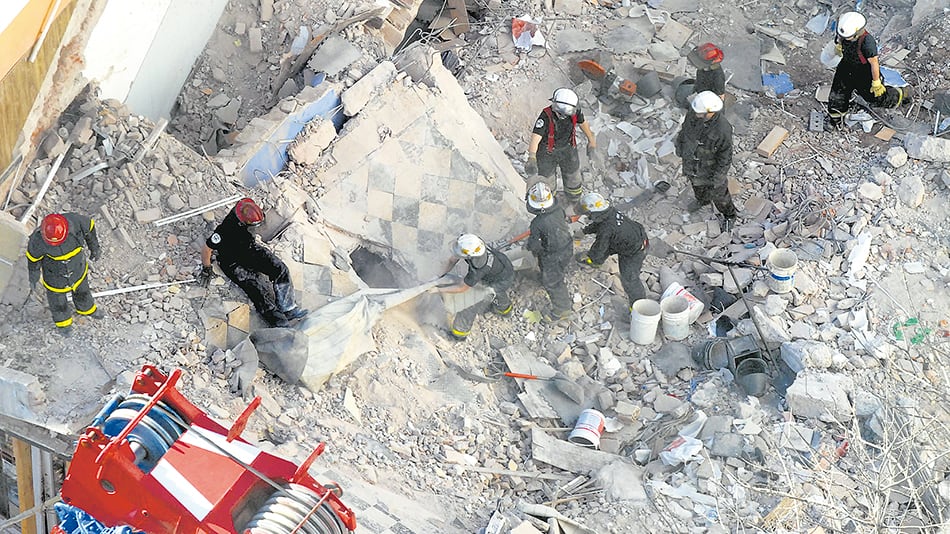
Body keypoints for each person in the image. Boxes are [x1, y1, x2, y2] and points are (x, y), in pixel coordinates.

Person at [199, 197, 307, 328]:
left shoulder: (245, 207)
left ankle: (288, 308)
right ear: (242, 223)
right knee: (256, 288)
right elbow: (207, 248)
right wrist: (206, 268)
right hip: (232, 262)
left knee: (280, 268)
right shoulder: (224, 231)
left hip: (249, 249)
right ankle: (278, 321)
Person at [827, 11, 912, 130]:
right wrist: (840, 46)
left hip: (864, 72)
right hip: (846, 67)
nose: (846, 39)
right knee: (838, 93)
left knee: (875, 98)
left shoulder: (867, 41)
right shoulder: (844, 29)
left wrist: (876, 82)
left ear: (857, 32)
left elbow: (874, 63)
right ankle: (836, 120)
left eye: (848, 37)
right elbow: (841, 38)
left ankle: (901, 94)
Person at [26, 212, 102, 335]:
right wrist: (33, 275)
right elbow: (33, 259)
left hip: (77, 269)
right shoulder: (37, 239)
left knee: (83, 292)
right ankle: (63, 324)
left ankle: (87, 309)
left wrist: (95, 248)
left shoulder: (77, 222)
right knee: (57, 302)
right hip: (55, 277)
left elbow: (90, 228)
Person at [674, 91, 738, 230]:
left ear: (711, 112)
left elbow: (725, 155)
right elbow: (684, 132)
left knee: (720, 196)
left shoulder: (722, 129)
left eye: (700, 113)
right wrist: (679, 146)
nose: (697, 115)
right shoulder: (694, 114)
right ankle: (702, 201)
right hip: (692, 164)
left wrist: (719, 177)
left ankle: (729, 215)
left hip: (710, 169)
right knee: (697, 186)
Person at [576, 193, 649, 310]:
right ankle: (596, 263)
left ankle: (638, 307)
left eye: (588, 213)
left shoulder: (607, 229)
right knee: (606, 246)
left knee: (630, 280)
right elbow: (599, 224)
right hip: (624, 239)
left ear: (593, 213)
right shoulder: (608, 212)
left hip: (634, 251)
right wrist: (584, 231)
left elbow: (599, 247)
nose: (587, 215)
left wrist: (591, 256)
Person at [525, 88, 597, 202]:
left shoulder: (575, 111)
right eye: (560, 113)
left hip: (568, 148)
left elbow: (583, 123)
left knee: (573, 177)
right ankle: (551, 201)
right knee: (548, 180)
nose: (563, 116)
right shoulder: (546, 116)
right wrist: (532, 157)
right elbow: (536, 137)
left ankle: (574, 200)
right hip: (547, 153)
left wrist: (591, 140)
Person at [445, 234, 514, 340]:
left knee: (470, 303)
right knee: (495, 292)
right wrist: (443, 273)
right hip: (501, 269)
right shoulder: (475, 245)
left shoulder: (479, 268)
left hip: (502, 280)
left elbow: (462, 288)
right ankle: (504, 308)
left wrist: (438, 289)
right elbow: (453, 259)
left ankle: (459, 333)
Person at [525, 182, 573, 321]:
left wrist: (531, 247)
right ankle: (548, 275)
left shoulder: (537, 223)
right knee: (557, 268)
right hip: (567, 246)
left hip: (552, 255)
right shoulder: (558, 210)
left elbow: (534, 245)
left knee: (553, 282)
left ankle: (562, 310)